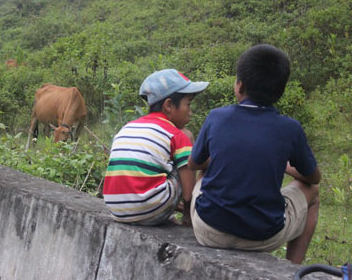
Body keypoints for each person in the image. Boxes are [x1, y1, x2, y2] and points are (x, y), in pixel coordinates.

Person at [188, 44, 320, 264]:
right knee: (313, 193)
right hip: (263, 237)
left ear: (240, 86)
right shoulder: (291, 128)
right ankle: (292, 269)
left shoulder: (216, 117)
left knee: (204, 172)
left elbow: (194, 163)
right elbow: (314, 178)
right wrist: (285, 166)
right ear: (280, 91)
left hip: (208, 231)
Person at [103, 69, 209, 226]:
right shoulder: (178, 135)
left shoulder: (128, 127)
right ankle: (188, 217)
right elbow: (187, 194)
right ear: (169, 105)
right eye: (188, 104)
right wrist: (188, 211)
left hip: (117, 211)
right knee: (188, 155)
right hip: (151, 211)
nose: (190, 112)